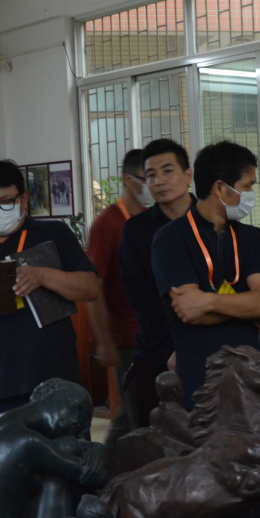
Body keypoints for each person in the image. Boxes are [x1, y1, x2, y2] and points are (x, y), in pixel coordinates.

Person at [0, 160, 100, 419]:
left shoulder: (53, 233)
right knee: (8, 447)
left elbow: (90, 288)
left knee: (68, 445)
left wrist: (43, 275)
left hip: (57, 379)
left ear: (23, 199)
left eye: (6, 201)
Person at [150, 140, 260, 410]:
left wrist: (207, 301)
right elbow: (190, 312)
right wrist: (244, 307)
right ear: (220, 188)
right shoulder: (170, 239)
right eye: (247, 186)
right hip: (200, 380)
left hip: (252, 377)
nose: (251, 193)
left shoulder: (253, 238)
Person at [86, 148, 153, 471]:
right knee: (135, 416)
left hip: (154, 333)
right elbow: (93, 289)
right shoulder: (108, 224)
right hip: (126, 338)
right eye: (147, 177)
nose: (154, 184)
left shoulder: (151, 219)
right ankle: (108, 477)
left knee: (138, 414)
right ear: (129, 180)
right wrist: (104, 341)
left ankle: (104, 475)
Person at [118, 139, 192, 426]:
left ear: (188, 175)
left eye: (168, 171)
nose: (159, 181)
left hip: (209, 348)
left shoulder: (212, 220)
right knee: (157, 441)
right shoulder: (136, 230)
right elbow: (140, 296)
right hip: (157, 350)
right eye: (151, 175)